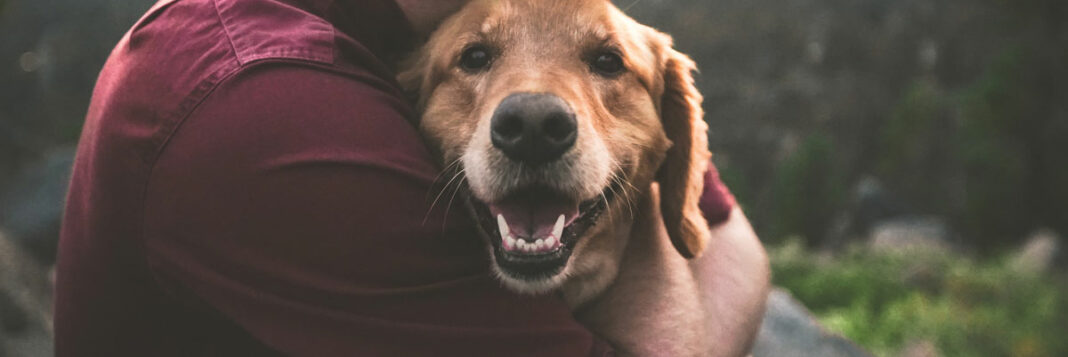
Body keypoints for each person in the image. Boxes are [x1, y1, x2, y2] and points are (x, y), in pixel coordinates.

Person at [54, 0, 770, 355]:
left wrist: (643, 192)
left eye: (606, 64)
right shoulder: (261, 103)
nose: (534, 109)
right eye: (478, 61)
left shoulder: (481, 22)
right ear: (408, 106)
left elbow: (731, 238)